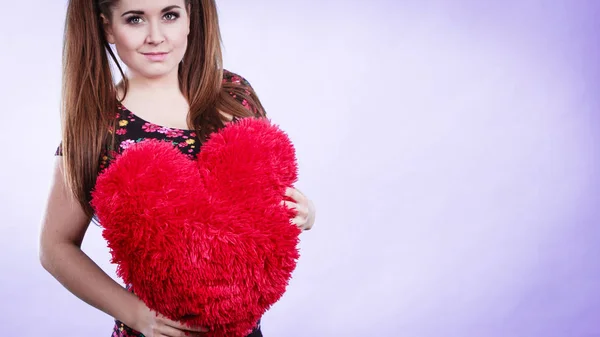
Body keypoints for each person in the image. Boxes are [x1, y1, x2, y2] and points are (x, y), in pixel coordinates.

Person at [38, 1, 316, 336]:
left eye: (170, 15)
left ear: (190, 19)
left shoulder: (234, 94)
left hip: (243, 326)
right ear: (108, 27)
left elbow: (260, 193)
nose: (156, 36)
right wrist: (136, 314)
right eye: (135, 19)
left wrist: (303, 209)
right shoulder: (97, 129)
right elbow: (55, 247)